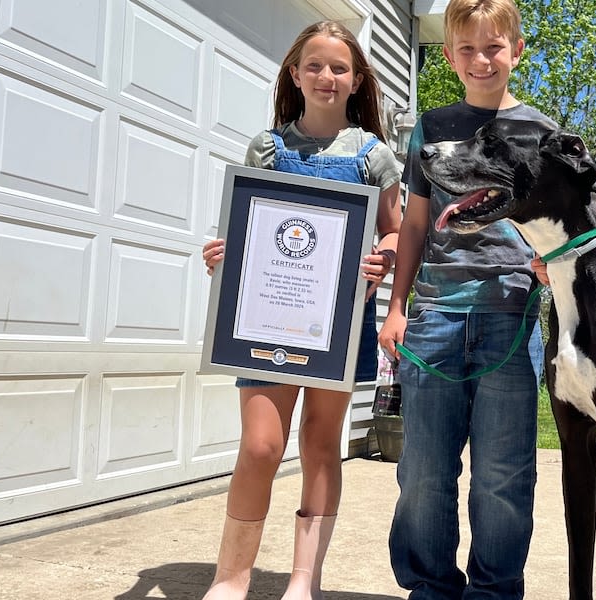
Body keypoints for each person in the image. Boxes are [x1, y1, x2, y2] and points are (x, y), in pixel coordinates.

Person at [200, 20, 402, 600]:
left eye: (339, 67)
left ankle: (303, 581)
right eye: (314, 65)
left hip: (338, 323)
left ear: (357, 79)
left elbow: (395, 234)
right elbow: (246, 227)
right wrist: (223, 253)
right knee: (260, 446)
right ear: (295, 73)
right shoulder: (267, 148)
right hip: (263, 320)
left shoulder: (374, 155)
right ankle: (231, 578)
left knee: (319, 444)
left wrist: (381, 260)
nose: (326, 76)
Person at [376, 0, 553, 598]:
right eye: (469, 49)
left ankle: (494, 592)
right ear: (449, 56)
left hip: (512, 316)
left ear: (516, 50)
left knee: (503, 476)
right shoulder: (433, 127)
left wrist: (551, 264)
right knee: (424, 472)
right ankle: (430, 588)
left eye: (494, 47)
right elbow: (416, 228)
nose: (482, 60)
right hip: (436, 318)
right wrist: (398, 310)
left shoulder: (540, 132)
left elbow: (563, 225)